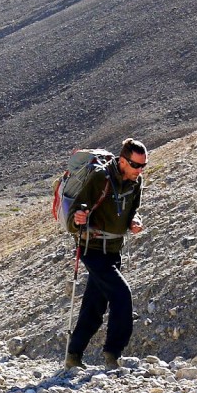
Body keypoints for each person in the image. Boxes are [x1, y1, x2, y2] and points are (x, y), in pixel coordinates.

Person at [65, 138, 146, 371]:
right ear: (122, 161)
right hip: (93, 249)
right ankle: (113, 354)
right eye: (136, 165)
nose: (139, 171)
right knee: (122, 295)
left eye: (143, 166)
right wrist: (78, 219)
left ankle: (74, 355)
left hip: (113, 250)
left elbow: (133, 211)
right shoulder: (101, 178)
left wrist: (134, 221)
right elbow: (75, 215)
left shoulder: (136, 182)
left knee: (94, 305)